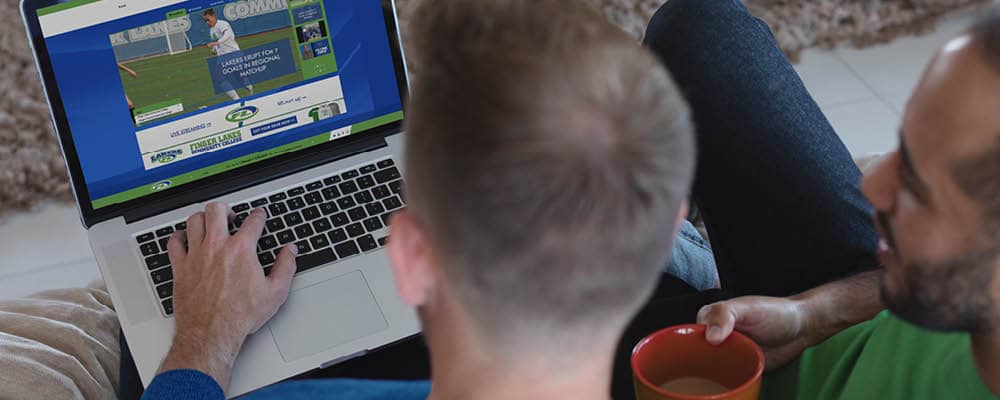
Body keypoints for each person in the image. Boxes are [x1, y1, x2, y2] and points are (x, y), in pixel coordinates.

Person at [138, 0, 699, 398]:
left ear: (408, 256)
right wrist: (793, 311)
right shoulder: (717, 354)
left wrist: (201, 342)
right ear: (675, 229)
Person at [639, 2, 1000, 398]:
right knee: (700, 25)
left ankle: (686, 259)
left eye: (917, 186)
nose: (872, 183)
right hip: (865, 298)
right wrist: (812, 316)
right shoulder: (960, 283)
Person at [203, 8, 253, 101]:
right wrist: (214, 49)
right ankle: (236, 99)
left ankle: (249, 87)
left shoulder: (223, 24)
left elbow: (227, 35)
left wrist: (217, 43)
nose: (207, 22)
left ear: (213, 16)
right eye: (205, 21)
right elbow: (216, 43)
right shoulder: (211, 30)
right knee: (219, 77)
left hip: (233, 53)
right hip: (222, 57)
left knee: (239, 76)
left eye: (208, 20)